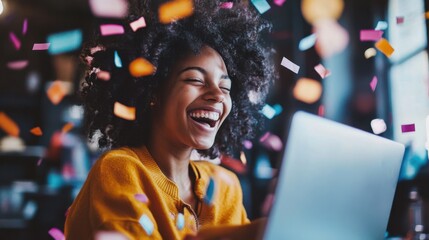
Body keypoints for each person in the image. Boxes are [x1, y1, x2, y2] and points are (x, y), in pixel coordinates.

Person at [64, 0, 275, 239]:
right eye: (195, 80)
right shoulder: (120, 169)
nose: (217, 95)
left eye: (225, 87)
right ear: (153, 92)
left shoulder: (226, 187)